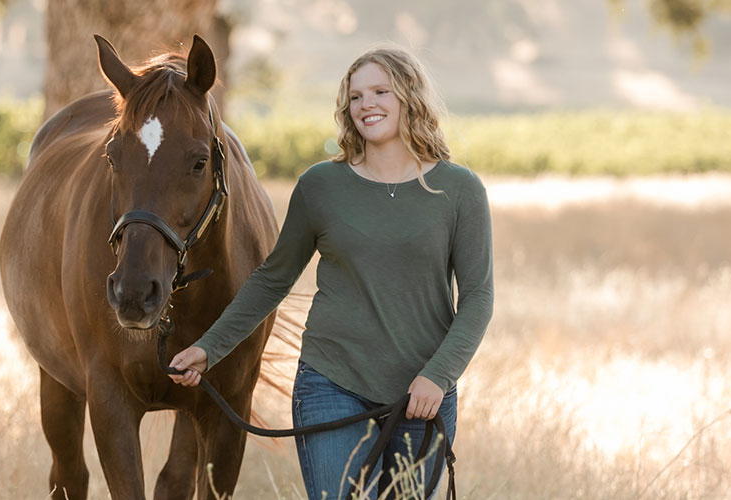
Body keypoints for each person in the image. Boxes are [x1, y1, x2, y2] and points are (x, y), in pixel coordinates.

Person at [166, 44, 494, 500]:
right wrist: (209, 348)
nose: (367, 105)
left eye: (380, 91)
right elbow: (271, 279)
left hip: (422, 394)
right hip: (329, 384)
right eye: (356, 96)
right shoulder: (321, 186)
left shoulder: (459, 190)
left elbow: (477, 299)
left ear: (409, 96)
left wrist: (437, 377)